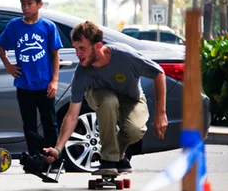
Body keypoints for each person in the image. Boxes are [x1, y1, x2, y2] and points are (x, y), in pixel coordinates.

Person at [42, 21, 168, 175]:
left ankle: (118, 157)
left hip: (132, 99)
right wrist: (58, 148)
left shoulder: (125, 56)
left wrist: (161, 113)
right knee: (109, 100)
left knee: (135, 130)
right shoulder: (83, 72)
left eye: (82, 48)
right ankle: (108, 160)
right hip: (100, 96)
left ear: (98, 46)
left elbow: (158, 73)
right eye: (76, 49)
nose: (78, 54)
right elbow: (72, 115)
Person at [0, 0, 62, 174]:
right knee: (29, 124)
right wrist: (8, 65)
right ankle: (34, 159)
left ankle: (53, 160)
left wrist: (54, 80)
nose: (25, 7)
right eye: (23, 3)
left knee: (50, 124)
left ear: (40, 4)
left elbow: (55, 55)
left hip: (45, 84)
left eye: (30, 3)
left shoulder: (48, 27)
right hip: (24, 85)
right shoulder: (14, 26)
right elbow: (0, 45)